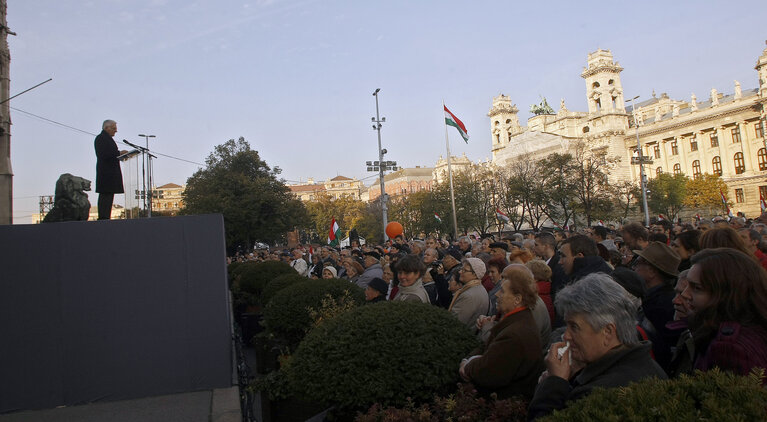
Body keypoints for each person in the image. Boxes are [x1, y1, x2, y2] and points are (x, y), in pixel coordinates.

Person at [528, 273, 667, 420]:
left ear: (607, 332)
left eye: (574, 326)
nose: (566, 336)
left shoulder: (600, 393)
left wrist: (554, 383)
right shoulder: (642, 364)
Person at [459, 265, 545, 400]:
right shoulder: (515, 321)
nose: (498, 295)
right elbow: (487, 347)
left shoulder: (515, 334)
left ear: (517, 299)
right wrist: (468, 359)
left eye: (503, 292)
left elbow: (488, 372)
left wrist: (467, 366)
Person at [685, 248, 767, 380]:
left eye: (696, 288)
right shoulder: (751, 328)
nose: (685, 294)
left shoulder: (729, 349)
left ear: (727, 294)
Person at [94, 119, 126, 220]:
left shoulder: (107, 139)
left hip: (110, 174)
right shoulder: (101, 138)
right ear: (106, 128)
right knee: (105, 196)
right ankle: (103, 218)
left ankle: (106, 217)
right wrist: (119, 153)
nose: (115, 131)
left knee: (109, 197)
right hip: (106, 174)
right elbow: (103, 154)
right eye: (113, 128)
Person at [448, 258, 490, 330]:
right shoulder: (478, 288)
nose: (460, 272)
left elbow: (455, 322)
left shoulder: (469, 296)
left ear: (475, 275)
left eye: (464, 270)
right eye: (461, 269)